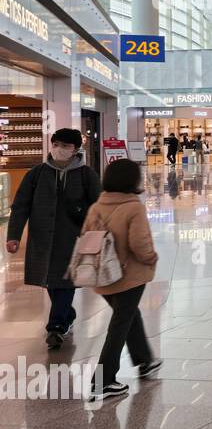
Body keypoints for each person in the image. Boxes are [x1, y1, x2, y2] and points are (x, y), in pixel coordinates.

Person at [5, 127, 102, 348]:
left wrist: (96, 234)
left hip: (74, 239)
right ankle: (67, 313)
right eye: (56, 144)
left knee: (65, 281)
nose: (59, 149)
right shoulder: (37, 174)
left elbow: (99, 207)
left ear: (76, 149)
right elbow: (21, 206)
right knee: (50, 280)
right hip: (43, 239)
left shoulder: (87, 175)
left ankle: (56, 327)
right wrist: (14, 236)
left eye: (65, 146)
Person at [83, 158, 162, 400]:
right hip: (128, 275)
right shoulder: (133, 207)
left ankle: (145, 360)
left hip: (103, 274)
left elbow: (87, 237)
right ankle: (103, 381)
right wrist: (151, 258)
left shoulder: (97, 206)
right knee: (120, 323)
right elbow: (140, 244)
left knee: (128, 315)